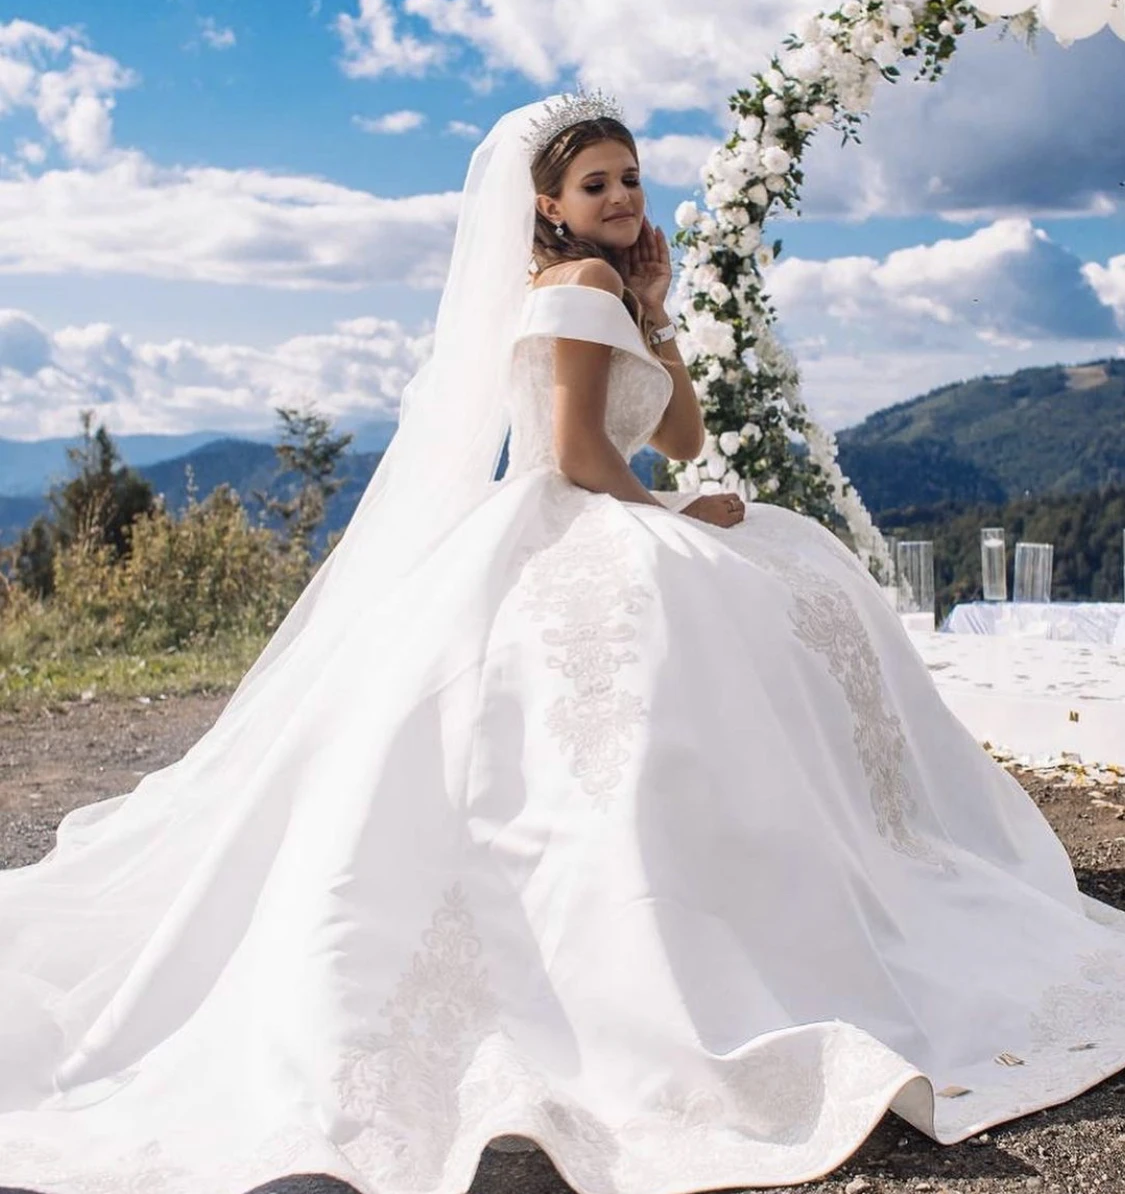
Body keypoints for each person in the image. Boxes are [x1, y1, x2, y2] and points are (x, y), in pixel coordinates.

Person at [0, 92, 1124, 1194]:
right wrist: (678, 516)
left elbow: (680, 432)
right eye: (598, 184)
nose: (624, 196)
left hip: (599, 499)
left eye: (632, 178)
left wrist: (664, 309)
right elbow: (584, 453)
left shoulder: (612, 289)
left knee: (773, 588)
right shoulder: (578, 284)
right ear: (548, 204)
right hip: (579, 513)